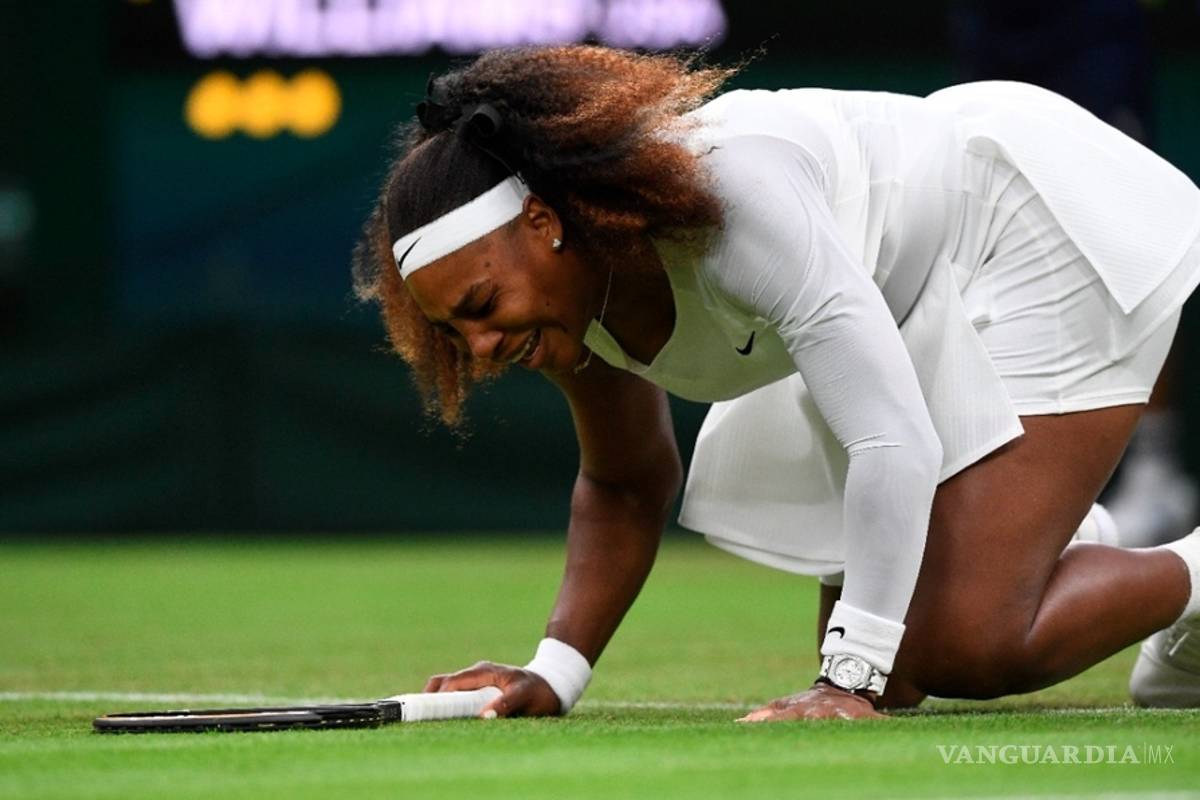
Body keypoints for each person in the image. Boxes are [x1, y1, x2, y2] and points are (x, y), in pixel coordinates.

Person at [352, 46, 1200, 720]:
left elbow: (888, 438)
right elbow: (624, 482)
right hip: (900, 297)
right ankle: (1042, 541)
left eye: (482, 305)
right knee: (898, 668)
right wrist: (555, 672)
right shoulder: (570, 310)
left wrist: (847, 682)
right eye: (454, 332)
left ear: (543, 224)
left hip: (1018, 220)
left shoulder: (732, 204)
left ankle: (1184, 572)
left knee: (958, 646)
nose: (484, 345)